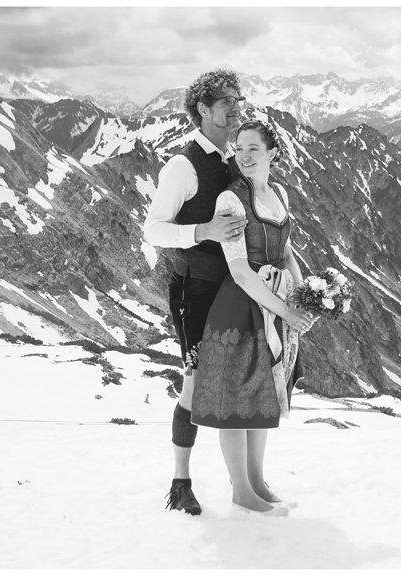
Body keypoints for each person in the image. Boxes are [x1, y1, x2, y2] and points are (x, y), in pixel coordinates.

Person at [191, 120, 316, 516]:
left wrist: (303, 295)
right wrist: (285, 311)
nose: (243, 156)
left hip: (276, 299)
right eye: (239, 148)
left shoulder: (278, 192)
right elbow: (241, 271)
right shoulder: (231, 200)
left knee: (262, 396)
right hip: (241, 306)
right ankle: (241, 490)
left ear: (272, 154)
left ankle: (258, 482)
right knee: (236, 401)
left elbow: (288, 250)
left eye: (253, 149)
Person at [143, 68, 248, 515]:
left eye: (239, 101)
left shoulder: (234, 157)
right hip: (197, 290)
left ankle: (243, 483)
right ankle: (180, 482)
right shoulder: (183, 166)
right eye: (227, 102)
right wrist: (203, 229)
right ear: (203, 109)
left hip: (232, 287)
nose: (236, 109)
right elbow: (153, 230)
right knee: (194, 384)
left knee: (236, 380)